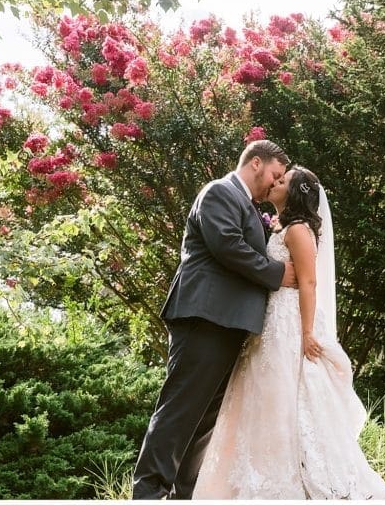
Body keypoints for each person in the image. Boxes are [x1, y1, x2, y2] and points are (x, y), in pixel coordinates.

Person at [193, 166, 385, 500]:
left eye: (283, 181)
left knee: (284, 394)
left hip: (289, 322)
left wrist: (307, 333)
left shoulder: (299, 230)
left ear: (295, 192)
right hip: (270, 322)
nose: (275, 183)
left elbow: (309, 283)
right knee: (262, 393)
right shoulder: (283, 226)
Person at [132, 140, 297, 500]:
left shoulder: (252, 207)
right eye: (275, 174)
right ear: (256, 163)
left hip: (229, 324)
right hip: (205, 318)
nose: (276, 182)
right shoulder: (219, 192)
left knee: (204, 418)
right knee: (180, 409)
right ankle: (147, 494)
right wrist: (276, 273)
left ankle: (184, 494)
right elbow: (227, 245)